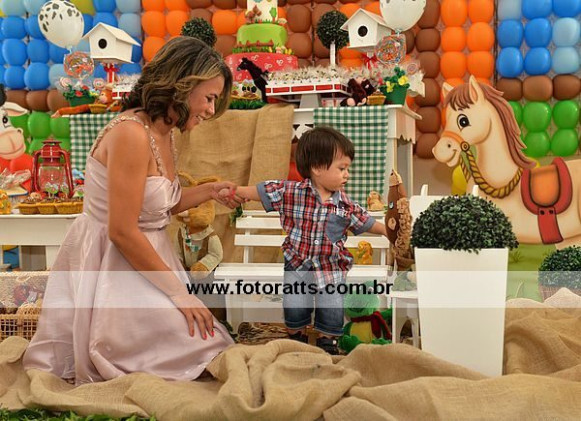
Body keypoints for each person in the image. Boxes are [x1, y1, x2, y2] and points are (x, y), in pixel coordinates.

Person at [23, 37, 245, 384]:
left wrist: (208, 191)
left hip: (147, 260)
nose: (210, 110)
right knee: (198, 343)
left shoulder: (162, 131)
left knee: (207, 340)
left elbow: (157, 205)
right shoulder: (131, 134)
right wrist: (179, 294)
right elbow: (122, 231)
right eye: (209, 98)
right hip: (114, 266)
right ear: (182, 85)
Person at [235, 127, 387, 354]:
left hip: (330, 267)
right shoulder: (292, 192)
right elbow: (265, 191)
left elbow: (366, 222)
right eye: (342, 168)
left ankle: (328, 342)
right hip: (297, 263)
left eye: (348, 169)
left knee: (331, 306)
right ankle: (297, 337)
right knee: (295, 304)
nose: (347, 174)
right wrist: (238, 191)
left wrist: (387, 231)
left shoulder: (345, 205)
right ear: (317, 168)